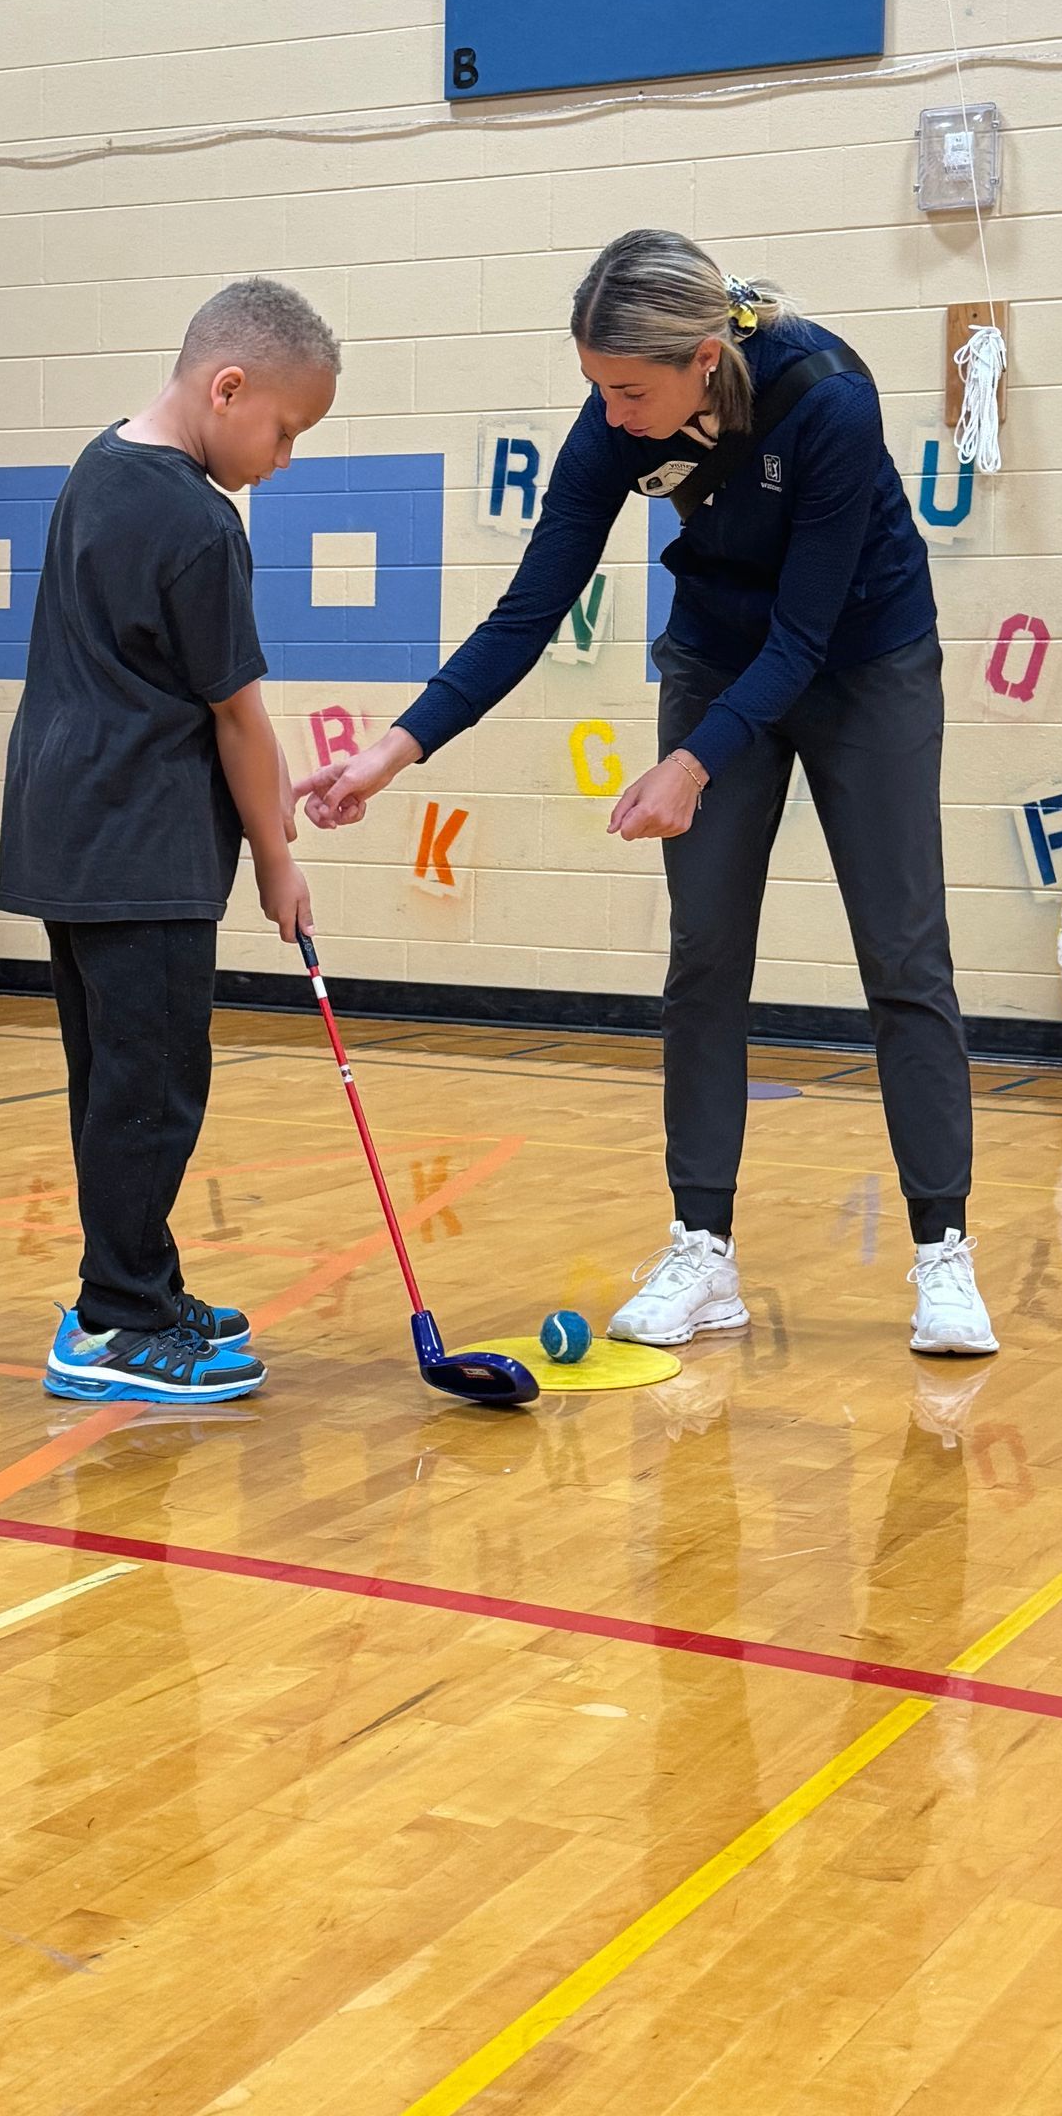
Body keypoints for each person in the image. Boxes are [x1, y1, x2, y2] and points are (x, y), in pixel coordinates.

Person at [298, 229, 993, 1357]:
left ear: (705, 357)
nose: (613, 416)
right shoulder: (615, 421)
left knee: (904, 949)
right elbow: (529, 609)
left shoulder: (826, 398)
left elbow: (808, 635)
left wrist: (693, 760)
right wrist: (395, 749)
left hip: (866, 662)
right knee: (704, 954)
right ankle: (702, 1248)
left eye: (628, 390)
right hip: (718, 658)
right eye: (598, 390)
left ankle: (943, 1251)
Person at [0, 278, 336, 1404]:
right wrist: (279, 861)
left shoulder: (99, 464)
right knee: (152, 1087)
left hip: (68, 826)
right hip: (142, 842)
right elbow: (237, 713)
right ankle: (113, 1321)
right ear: (226, 385)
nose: (283, 459)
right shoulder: (199, 523)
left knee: (113, 1079)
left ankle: (135, 1277)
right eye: (284, 430)